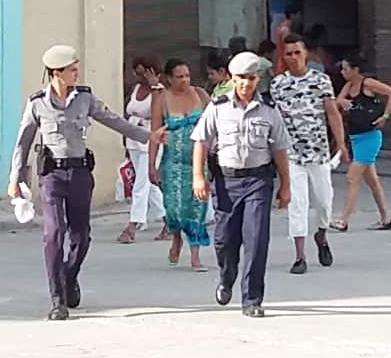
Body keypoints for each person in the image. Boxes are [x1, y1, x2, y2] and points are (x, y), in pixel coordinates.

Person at [4, 45, 140, 322]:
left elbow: (113, 120)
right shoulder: (37, 102)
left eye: (77, 68)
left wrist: (148, 136)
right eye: (72, 70)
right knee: (53, 233)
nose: (77, 73)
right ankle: (57, 300)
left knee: (81, 236)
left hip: (79, 174)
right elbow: (23, 143)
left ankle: (69, 275)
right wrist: (15, 178)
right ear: (57, 73)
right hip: (51, 176)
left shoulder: (85, 99)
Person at [199, 52, 281, 316]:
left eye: (251, 78)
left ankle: (252, 299)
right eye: (241, 78)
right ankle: (226, 275)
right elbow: (201, 141)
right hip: (226, 181)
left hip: (259, 180)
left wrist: (287, 186)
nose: (246, 83)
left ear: (258, 78)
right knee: (224, 241)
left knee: (256, 240)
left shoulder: (269, 109)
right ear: (232, 79)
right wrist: (198, 177)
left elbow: (280, 148)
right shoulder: (218, 107)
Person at [266, 35, 345, 275]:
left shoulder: (321, 81)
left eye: (297, 52)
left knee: (324, 200)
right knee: (297, 203)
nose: (293, 58)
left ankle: (321, 234)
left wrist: (340, 143)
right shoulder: (278, 84)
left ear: (306, 54)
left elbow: (332, 113)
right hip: (291, 154)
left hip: (318, 151)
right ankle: (299, 256)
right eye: (288, 53)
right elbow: (275, 120)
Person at [332, 50, 391, 232]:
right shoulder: (349, 86)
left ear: (355, 69)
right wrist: (342, 102)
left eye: (345, 69)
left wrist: (385, 115)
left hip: (370, 136)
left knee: (352, 177)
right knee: (372, 181)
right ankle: (385, 218)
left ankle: (344, 220)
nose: (342, 72)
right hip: (356, 137)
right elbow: (337, 100)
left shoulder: (367, 84)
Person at [153, 60, 211, 269]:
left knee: (197, 208)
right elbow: (154, 134)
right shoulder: (162, 99)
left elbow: (215, 123)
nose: (185, 80)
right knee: (174, 208)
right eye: (179, 76)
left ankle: (195, 256)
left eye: (187, 75)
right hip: (173, 163)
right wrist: (151, 165)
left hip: (198, 162)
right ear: (169, 78)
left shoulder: (200, 95)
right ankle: (176, 236)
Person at [115, 56, 162, 244]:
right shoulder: (135, 89)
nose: (139, 76)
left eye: (143, 72)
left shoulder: (159, 91)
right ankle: (168, 221)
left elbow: (158, 113)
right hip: (134, 140)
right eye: (137, 72)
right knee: (148, 186)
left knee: (140, 184)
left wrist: (155, 86)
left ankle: (133, 225)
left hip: (151, 140)